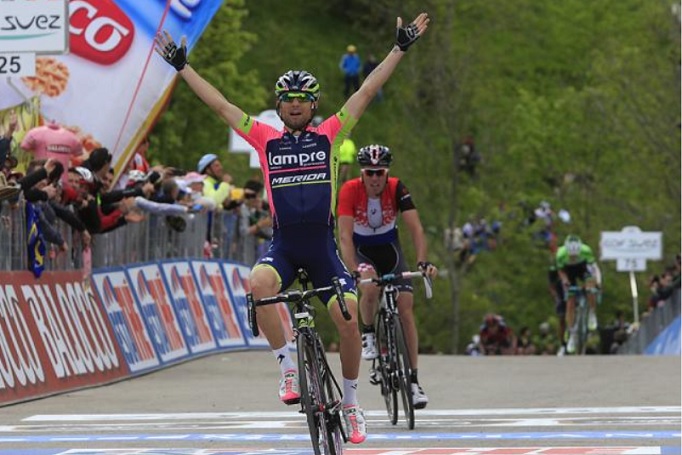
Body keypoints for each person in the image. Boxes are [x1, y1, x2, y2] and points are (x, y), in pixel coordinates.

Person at [154, 12, 429, 444]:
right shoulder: (265, 139)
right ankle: (286, 365)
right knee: (258, 282)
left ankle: (353, 402)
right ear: (279, 105)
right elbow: (222, 106)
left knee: (347, 316)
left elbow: (368, 89)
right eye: (287, 98)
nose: (295, 104)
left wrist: (399, 48)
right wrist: (183, 67)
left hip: (321, 249)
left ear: (314, 104)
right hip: (284, 246)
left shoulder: (332, 135)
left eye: (303, 98)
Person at [337, 144, 438, 409]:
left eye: (379, 173)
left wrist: (423, 261)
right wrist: (353, 269)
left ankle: (414, 382)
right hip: (361, 252)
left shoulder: (397, 188)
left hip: (390, 250)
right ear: (362, 172)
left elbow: (415, 228)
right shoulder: (349, 190)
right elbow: (345, 236)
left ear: (386, 172)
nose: (374, 178)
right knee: (369, 289)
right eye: (369, 172)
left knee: (405, 306)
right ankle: (369, 332)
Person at [555, 234, 601, 354]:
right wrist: (565, 281)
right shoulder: (560, 254)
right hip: (568, 271)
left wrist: (596, 282)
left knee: (590, 286)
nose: (574, 257)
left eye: (576, 255)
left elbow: (594, 268)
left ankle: (592, 312)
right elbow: (561, 271)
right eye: (572, 256)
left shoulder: (586, 251)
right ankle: (571, 332)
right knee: (570, 300)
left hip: (583, 268)